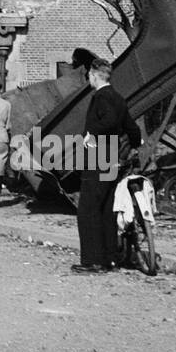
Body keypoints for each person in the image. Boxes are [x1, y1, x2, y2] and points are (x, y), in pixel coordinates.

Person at [72, 58, 141, 273]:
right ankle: (110, 258)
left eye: (89, 76)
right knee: (106, 209)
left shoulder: (100, 97)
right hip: (113, 158)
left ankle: (93, 261)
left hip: (99, 156)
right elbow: (132, 128)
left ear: (94, 75)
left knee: (88, 209)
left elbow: (109, 121)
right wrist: (135, 145)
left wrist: (90, 136)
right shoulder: (119, 98)